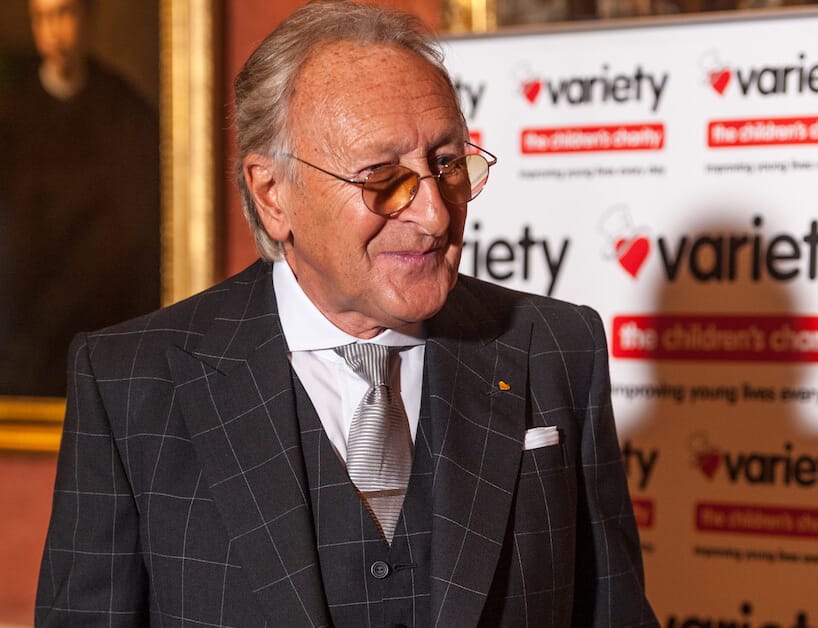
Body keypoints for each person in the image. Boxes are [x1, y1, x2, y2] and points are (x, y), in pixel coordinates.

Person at [35, 1, 658, 626]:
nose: (435, 214)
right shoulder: (130, 384)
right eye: (382, 178)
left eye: (447, 164)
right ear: (272, 194)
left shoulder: (556, 349)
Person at [0, 0, 160, 396]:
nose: (53, 32)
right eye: (42, 18)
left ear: (87, 19)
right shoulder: (11, 112)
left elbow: (136, 236)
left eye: (64, 15)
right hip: (26, 330)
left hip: (99, 317)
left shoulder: (125, 112)